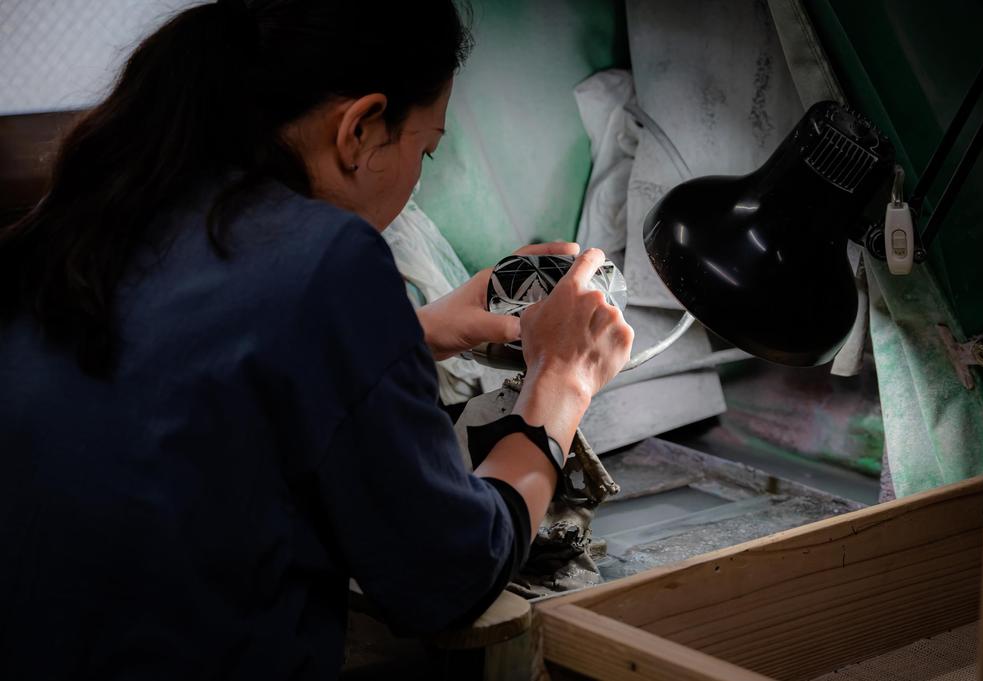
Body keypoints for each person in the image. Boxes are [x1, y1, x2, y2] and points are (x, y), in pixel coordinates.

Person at [0, 1, 633, 679]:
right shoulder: (328, 259)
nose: (421, 167)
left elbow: (189, 383)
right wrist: (561, 381)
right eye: (426, 147)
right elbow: (447, 575)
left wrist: (410, 335)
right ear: (359, 128)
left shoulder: (83, 222)